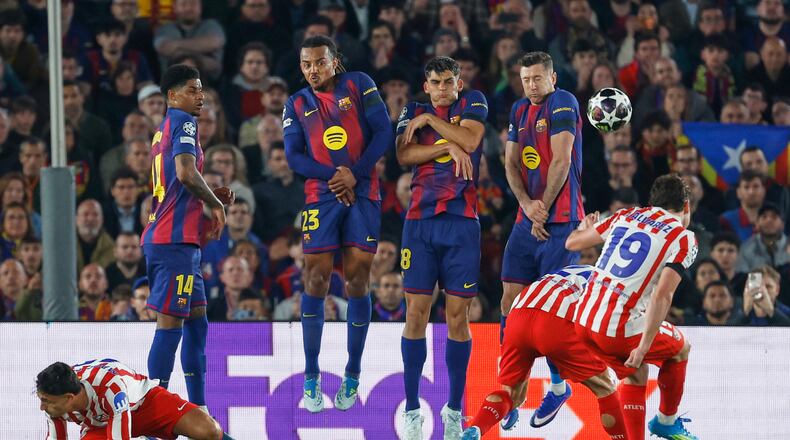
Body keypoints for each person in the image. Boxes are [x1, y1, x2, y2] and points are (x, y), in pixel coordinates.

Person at [282, 35, 392, 413]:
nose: (313, 70)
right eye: (306, 64)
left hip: (363, 191)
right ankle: (311, 377)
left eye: (319, 62)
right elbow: (294, 157)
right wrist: (336, 175)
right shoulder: (296, 103)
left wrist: (355, 174)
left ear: (335, 61)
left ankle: (353, 373)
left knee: (358, 280)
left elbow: (383, 131)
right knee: (315, 280)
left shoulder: (359, 83)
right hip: (321, 195)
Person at [395, 56, 487, 439]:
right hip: (419, 223)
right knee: (415, 315)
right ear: (427, 84)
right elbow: (404, 156)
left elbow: (470, 140)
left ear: (459, 84)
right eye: (436, 82)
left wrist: (434, 126)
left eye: (449, 82)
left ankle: (453, 410)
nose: (444, 88)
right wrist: (449, 147)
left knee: (457, 318)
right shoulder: (409, 109)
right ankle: (413, 411)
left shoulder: (473, 102)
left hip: (462, 223)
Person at [567, 174, 700, 440]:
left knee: (637, 374)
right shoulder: (684, 238)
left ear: (652, 203)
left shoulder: (625, 215)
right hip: (617, 329)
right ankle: (666, 421)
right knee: (681, 348)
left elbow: (572, 243)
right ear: (686, 206)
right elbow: (663, 295)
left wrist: (585, 226)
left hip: (582, 322)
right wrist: (643, 347)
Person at [141, 64, 235, 416]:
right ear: (173, 96)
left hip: (179, 242)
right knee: (170, 325)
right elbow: (184, 172)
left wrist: (210, 195)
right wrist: (214, 205)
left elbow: (176, 183)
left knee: (197, 320)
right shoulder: (184, 122)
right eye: (194, 90)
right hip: (173, 243)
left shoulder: (162, 130)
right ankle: (152, 415)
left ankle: (200, 410)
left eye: (201, 90)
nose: (201, 96)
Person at [499, 50, 584, 427]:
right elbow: (511, 163)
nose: (531, 85)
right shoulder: (519, 110)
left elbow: (562, 161)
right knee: (510, 301)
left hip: (561, 222)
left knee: (550, 311)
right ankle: (510, 391)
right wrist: (526, 205)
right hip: (526, 219)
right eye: (525, 79)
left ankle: (557, 386)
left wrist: (543, 207)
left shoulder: (563, 102)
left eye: (537, 78)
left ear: (552, 79)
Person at [461, 265, 629, 440]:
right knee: (605, 387)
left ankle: (475, 429)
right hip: (555, 322)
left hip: (518, 316)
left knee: (511, 396)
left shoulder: (573, 269)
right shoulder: (616, 285)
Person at [36, 360, 233, 440]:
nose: (42, 407)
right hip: (100, 426)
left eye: (46, 401)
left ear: (70, 398)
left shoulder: (110, 387)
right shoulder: (55, 399)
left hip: (146, 403)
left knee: (210, 431)